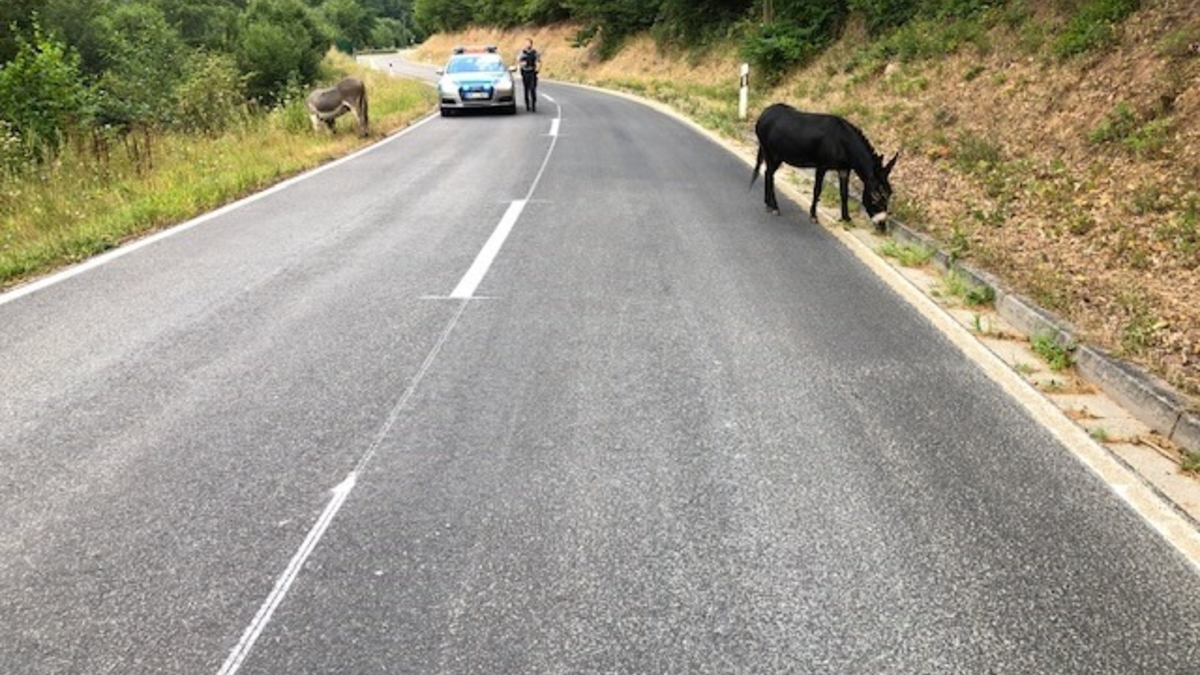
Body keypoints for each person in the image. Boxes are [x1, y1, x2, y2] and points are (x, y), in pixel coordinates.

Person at [518, 38, 540, 112]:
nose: (528, 45)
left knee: (533, 89)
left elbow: (538, 61)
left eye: (529, 43)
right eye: (526, 43)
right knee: (526, 89)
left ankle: (533, 104)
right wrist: (522, 64)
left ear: (531, 44)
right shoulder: (522, 52)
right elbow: (519, 61)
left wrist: (538, 69)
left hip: (532, 72)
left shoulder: (535, 52)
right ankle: (527, 105)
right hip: (525, 72)